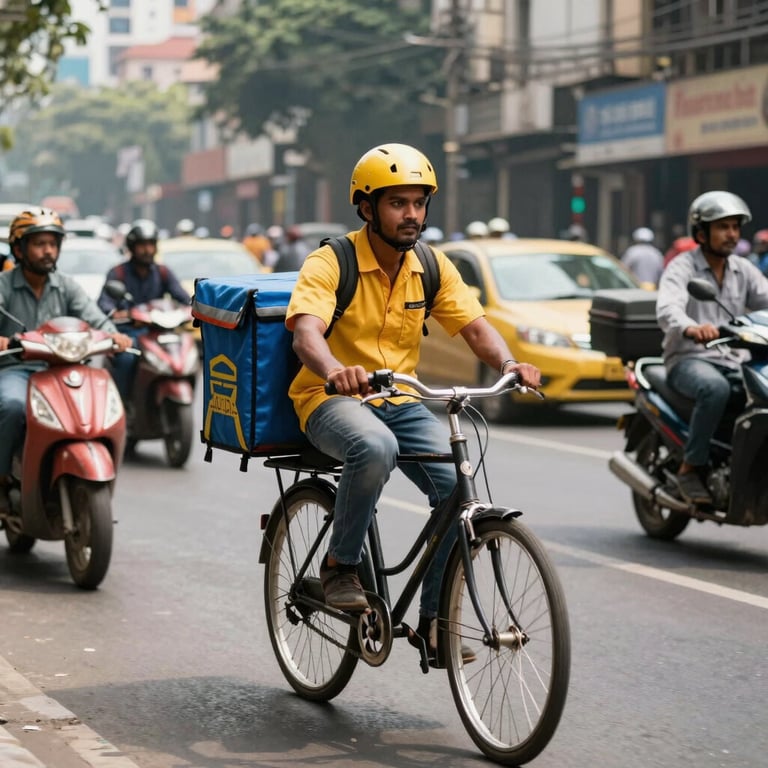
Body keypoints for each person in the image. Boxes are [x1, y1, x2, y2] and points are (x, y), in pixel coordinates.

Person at [285, 143, 540, 658]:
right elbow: (305, 333)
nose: (412, 215)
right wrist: (336, 370)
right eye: (398, 203)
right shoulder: (330, 261)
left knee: (458, 491)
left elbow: (474, 326)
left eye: (419, 203)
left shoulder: (430, 265)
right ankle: (340, 567)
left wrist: (509, 365)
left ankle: (434, 621)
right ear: (367, 207)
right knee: (375, 448)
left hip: (400, 398)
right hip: (329, 398)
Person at [0, 208, 132, 515]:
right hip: (16, 370)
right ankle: (3, 476)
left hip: (63, 370)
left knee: (94, 408)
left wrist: (115, 337)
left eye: (53, 243)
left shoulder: (66, 285)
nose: (48, 251)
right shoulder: (4, 285)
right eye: (39, 244)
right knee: (12, 406)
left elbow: (94, 317)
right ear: (19, 248)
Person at [656, 191, 768, 504]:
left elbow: (766, 300)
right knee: (714, 389)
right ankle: (690, 467)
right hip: (688, 359)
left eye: (735, 227)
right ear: (701, 233)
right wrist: (690, 327)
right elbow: (668, 307)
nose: (732, 234)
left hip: (733, 359)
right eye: (723, 227)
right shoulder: (682, 267)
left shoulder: (743, 269)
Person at [97, 219, 190, 403]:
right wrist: (118, 314)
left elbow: (183, 297)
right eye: (142, 245)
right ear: (132, 247)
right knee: (127, 358)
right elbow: (104, 304)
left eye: (150, 245)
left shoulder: (163, 272)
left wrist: (190, 308)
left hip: (158, 332)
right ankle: (121, 405)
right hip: (129, 332)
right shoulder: (118, 273)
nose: (147, 250)